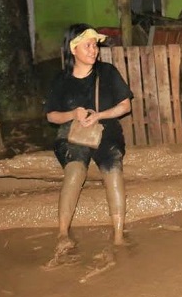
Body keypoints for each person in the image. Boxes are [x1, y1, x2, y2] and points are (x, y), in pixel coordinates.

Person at [46, 24, 133, 252]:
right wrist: (73, 114)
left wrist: (100, 116)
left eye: (95, 45)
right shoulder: (61, 80)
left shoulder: (107, 72)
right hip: (72, 135)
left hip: (105, 131)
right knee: (75, 170)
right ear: (73, 49)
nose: (94, 50)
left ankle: (118, 234)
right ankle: (62, 233)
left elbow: (125, 106)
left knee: (113, 170)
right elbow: (52, 116)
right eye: (88, 45)